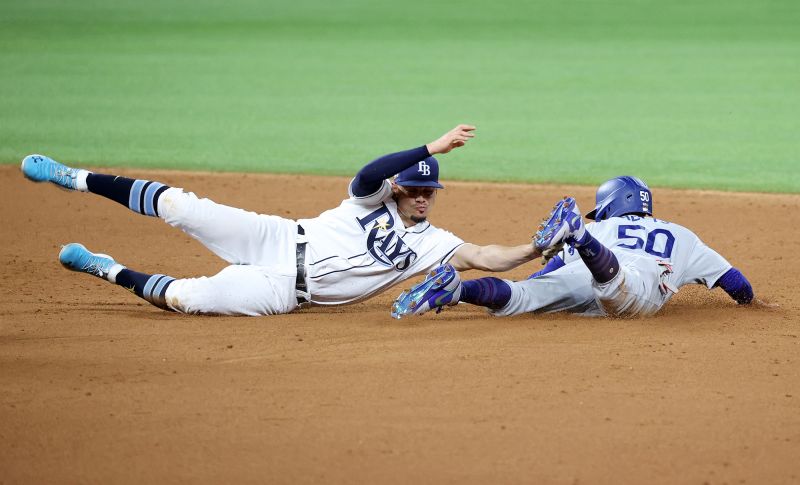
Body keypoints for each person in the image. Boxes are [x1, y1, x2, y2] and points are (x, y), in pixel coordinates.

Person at [21, 124, 548, 316]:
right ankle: (75, 177)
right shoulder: (372, 196)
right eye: (414, 187)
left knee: (189, 298)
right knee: (180, 206)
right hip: (275, 234)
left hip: (282, 293)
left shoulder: (436, 242)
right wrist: (430, 147)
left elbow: (485, 258)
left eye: (429, 190)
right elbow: (370, 171)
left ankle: (104, 269)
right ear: (400, 186)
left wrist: (535, 248)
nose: (422, 197)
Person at [392, 176, 757, 319]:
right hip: (628, 279)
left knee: (521, 296)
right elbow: (736, 282)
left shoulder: (605, 224)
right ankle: (579, 236)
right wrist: (752, 305)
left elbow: (546, 274)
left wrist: (536, 288)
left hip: (582, 268)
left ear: (611, 206)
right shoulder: (683, 235)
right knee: (619, 293)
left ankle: (457, 289)